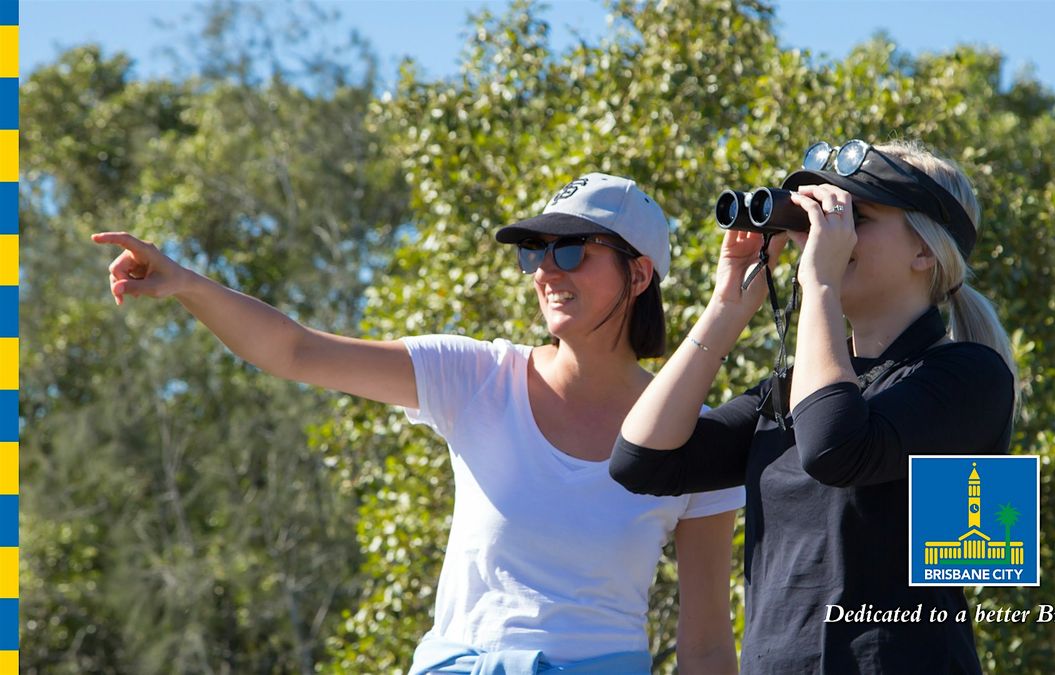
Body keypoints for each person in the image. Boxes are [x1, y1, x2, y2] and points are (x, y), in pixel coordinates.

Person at [93, 173, 743, 675]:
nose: (547, 268)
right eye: (535, 252)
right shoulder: (475, 375)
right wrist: (187, 285)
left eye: (572, 250)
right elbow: (294, 350)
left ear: (638, 273)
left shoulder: (698, 436)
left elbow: (709, 645)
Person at [611, 140, 1018, 673]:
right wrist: (726, 311)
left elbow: (834, 450)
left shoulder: (972, 376)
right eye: (819, 219)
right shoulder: (791, 390)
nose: (824, 236)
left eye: (856, 217)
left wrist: (820, 282)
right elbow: (641, 461)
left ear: (925, 252)